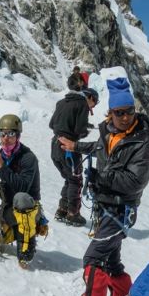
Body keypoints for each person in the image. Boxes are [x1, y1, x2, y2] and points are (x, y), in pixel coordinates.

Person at [58, 77, 149, 296]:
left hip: (121, 211)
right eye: (120, 113)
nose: (126, 117)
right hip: (106, 209)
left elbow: (135, 181)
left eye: (130, 111)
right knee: (111, 263)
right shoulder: (108, 133)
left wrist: (102, 178)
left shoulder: (143, 142)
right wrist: (76, 146)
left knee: (93, 258)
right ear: (110, 113)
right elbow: (99, 149)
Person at [0, 114, 44, 268]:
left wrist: (2, 166)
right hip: (6, 207)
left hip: (28, 208)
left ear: (18, 135)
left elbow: (22, 188)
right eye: (3, 134)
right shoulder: (0, 155)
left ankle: (25, 251)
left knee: (20, 198)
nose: (6, 138)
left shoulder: (28, 158)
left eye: (11, 134)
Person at [49, 71, 96, 226]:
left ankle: (62, 210)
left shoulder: (61, 102)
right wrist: (85, 130)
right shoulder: (81, 103)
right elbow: (79, 130)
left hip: (54, 145)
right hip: (69, 147)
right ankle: (72, 214)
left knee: (69, 179)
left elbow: (52, 124)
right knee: (75, 180)